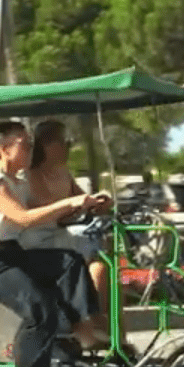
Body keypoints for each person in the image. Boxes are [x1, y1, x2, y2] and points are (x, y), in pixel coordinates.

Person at [0, 119, 113, 367]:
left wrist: (86, 205)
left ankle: (82, 330)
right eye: (24, 143)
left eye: (31, 142)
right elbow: (23, 218)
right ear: (4, 149)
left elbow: (49, 214)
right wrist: (70, 200)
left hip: (13, 256)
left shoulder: (19, 181)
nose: (31, 148)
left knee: (68, 261)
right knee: (40, 306)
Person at [21, 120, 119, 341]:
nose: (69, 147)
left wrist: (99, 203)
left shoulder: (63, 172)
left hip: (62, 235)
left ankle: (114, 334)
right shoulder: (32, 174)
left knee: (107, 269)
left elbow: (79, 199)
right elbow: (49, 208)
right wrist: (76, 205)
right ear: (46, 146)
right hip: (41, 239)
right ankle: (93, 327)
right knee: (99, 268)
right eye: (64, 142)